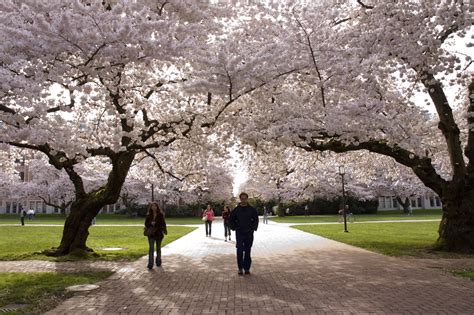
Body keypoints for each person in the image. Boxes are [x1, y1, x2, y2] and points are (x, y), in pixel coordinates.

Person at [229, 192, 258, 276]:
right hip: (239, 233)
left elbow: (256, 219)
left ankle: (247, 268)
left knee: (248, 250)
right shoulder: (236, 209)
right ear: (240, 199)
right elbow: (231, 219)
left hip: (249, 232)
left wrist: (253, 228)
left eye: (245, 198)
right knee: (240, 250)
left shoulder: (252, 209)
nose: (244, 200)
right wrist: (234, 227)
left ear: (247, 199)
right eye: (242, 198)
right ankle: (240, 268)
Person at [144, 202, 167, 270]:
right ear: (151, 207)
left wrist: (164, 230)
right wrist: (150, 223)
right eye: (152, 206)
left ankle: (158, 261)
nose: (154, 207)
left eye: (155, 206)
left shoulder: (160, 215)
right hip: (151, 234)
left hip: (158, 234)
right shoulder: (149, 215)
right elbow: (146, 224)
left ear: (157, 207)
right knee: (151, 249)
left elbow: (163, 223)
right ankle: (150, 264)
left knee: (158, 248)